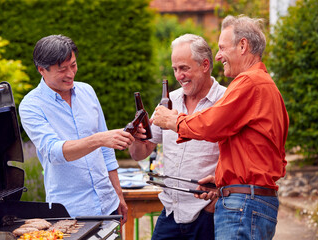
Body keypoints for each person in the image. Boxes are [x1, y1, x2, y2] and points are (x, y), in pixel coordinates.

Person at [153, 15, 289, 240]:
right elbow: (265, 153)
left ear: (243, 46)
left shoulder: (249, 83)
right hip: (250, 201)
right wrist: (222, 178)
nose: (217, 56)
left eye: (222, 48)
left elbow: (211, 124)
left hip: (244, 204)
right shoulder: (266, 86)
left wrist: (173, 121)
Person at [19, 34, 134, 222]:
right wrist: (99, 139)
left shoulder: (87, 91)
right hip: (70, 212)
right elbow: (54, 152)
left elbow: (107, 151)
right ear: (42, 70)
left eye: (73, 65)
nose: (70, 74)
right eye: (62, 69)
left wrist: (118, 194)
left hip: (109, 204)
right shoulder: (31, 105)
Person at [129, 34, 226, 240]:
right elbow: (140, 153)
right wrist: (137, 138)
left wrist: (213, 205)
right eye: (175, 69)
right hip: (171, 213)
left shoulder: (225, 100)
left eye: (184, 68)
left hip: (208, 214)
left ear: (205, 65)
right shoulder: (169, 100)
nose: (179, 76)